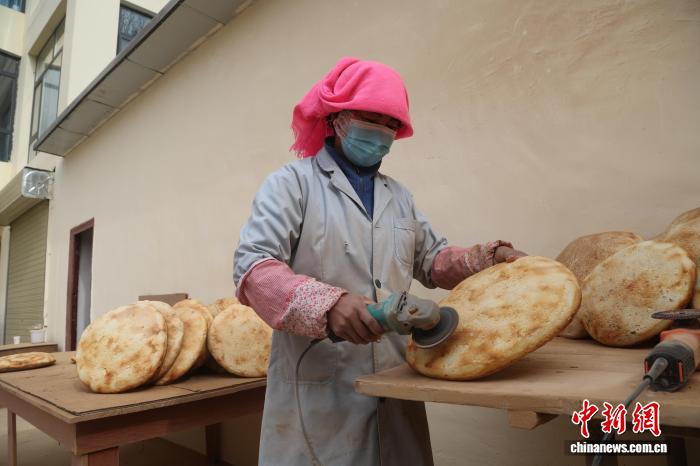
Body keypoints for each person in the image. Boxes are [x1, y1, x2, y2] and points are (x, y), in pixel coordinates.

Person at [233, 57, 525, 466]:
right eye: (371, 119)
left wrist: (489, 258)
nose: (382, 133)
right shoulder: (291, 184)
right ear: (336, 119)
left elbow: (433, 260)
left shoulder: (399, 196)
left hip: (393, 380)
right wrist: (328, 305)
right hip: (319, 390)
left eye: (391, 124)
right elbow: (253, 268)